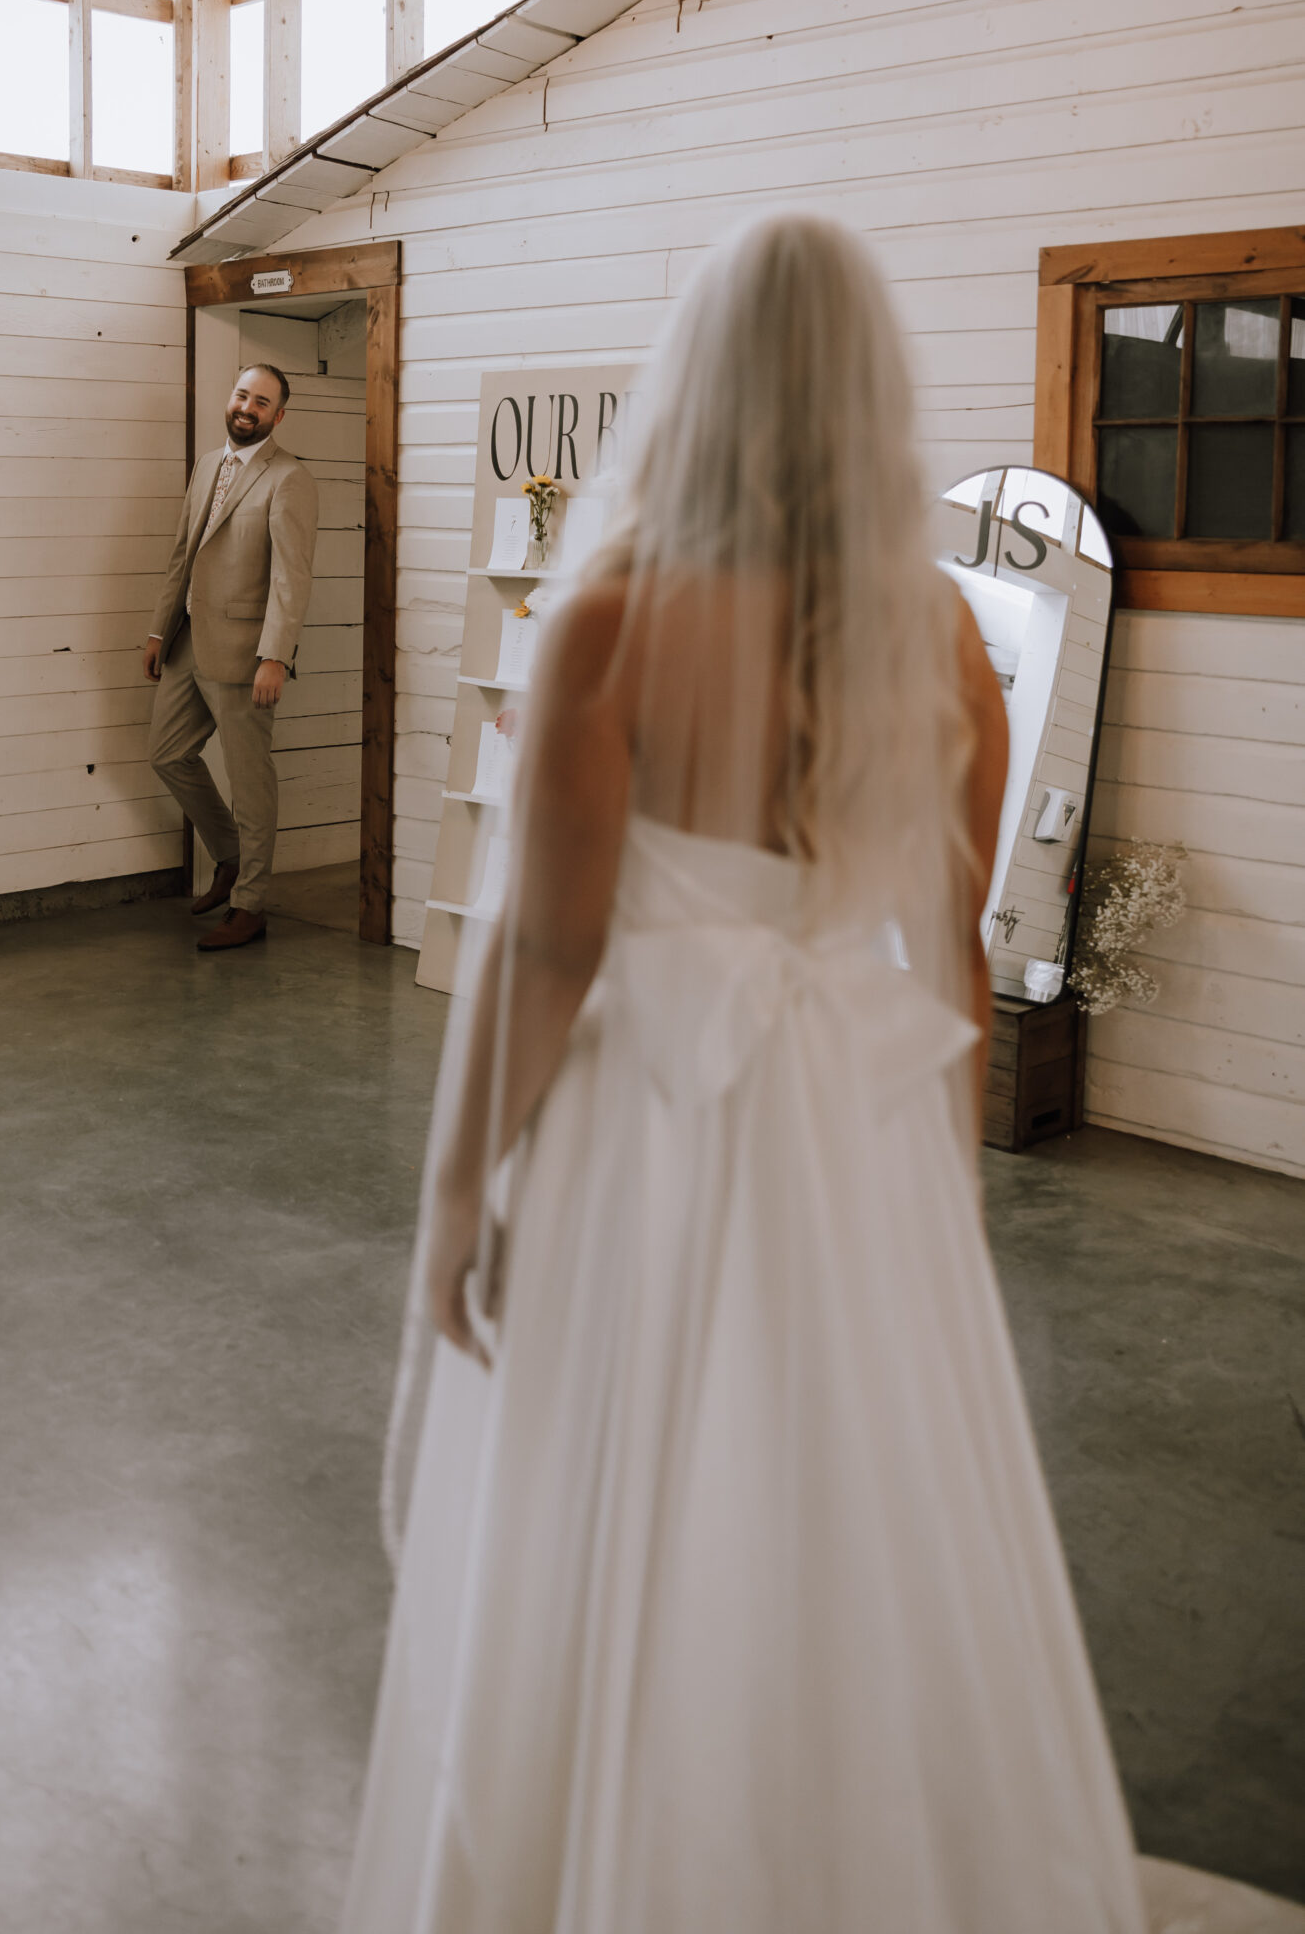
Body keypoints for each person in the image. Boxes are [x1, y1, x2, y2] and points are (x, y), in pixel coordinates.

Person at [343, 218, 1147, 1933]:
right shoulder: (940, 640)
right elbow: (950, 954)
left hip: (651, 1110)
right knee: (823, 1509)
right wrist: (941, 1201)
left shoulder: (616, 616)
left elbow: (547, 958)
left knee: (617, 1488)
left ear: (694, 387)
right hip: (845, 1130)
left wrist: (453, 1201)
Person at [145, 363, 318, 953]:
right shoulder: (206, 466)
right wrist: (157, 632)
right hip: (189, 638)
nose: (248, 407)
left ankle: (251, 903)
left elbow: (291, 580)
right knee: (167, 754)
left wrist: (276, 656)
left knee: (250, 782)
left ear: (278, 415)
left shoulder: (288, 478)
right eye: (243, 395)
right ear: (231, 399)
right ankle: (230, 857)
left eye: (262, 402)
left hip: (248, 654)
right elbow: (181, 554)